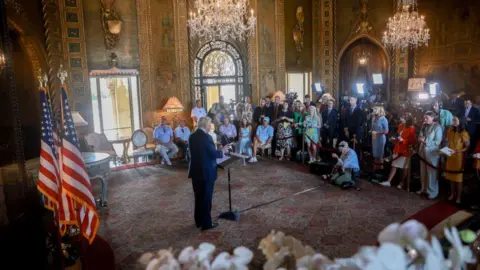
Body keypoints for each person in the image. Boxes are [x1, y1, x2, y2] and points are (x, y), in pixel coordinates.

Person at [188, 117, 226, 231]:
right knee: (206, 198)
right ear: (206, 125)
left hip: (195, 171)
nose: (211, 126)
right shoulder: (207, 137)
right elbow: (213, 154)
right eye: (210, 124)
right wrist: (222, 150)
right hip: (206, 172)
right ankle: (206, 224)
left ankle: (198, 221)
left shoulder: (192, 136)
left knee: (198, 197)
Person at [380, 115, 417, 188]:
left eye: (403, 118)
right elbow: (398, 136)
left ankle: (402, 183)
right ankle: (388, 181)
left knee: (404, 168)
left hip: (405, 150)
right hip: (397, 148)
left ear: (407, 120)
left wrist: (404, 141)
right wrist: (394, 139)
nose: (401, 119)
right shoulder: (400, 126)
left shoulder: (411, 128)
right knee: (394, 165)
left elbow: (413, 141)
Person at [417, 111, 443, 200]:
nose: (425, 120)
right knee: (423, 171)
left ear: (432, 117)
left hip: (432, 153)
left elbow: (437, 141)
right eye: (424, 118)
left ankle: (432, 191)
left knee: (431, 172)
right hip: (422, 151)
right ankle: (423, 188)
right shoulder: (424, 125)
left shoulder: (437, 127)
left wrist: (426, 141)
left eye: (426, 118)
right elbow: (420, 136)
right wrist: (420, 138)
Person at [444, 116, 470, 204]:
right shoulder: (451, 131)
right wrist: (445, 150)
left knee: (458, 179)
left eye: (455, 120)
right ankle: (452, 194)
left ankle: (458, 196)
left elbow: (467, 147)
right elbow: (447, 143)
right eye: (453, 120)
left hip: (458, 157)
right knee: (451, 177)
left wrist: (458, 150)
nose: (453, 121)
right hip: (450, 156)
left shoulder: (464, 133)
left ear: (460, 121)